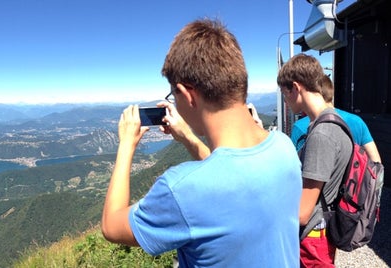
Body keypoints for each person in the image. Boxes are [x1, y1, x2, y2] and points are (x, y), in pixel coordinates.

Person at [101, 18, 302, 267]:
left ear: (187, 94)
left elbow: (111, 225)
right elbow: (232, 175)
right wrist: (187, 136)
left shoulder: (180, 190)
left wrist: (126, 145)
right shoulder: (284, 148)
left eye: (174, 95)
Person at [277, 54, 353, 267]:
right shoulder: (334, 120)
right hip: (322, 229)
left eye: (285, 93)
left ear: (295, 87)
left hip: (312, 236)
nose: (285, 100)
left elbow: (302, 213)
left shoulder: (322, 134)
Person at [291, 75, 382, 163]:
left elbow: (293, 169)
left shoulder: (300, 126)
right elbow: (376, 162)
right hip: (353, 178)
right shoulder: (357, 121)